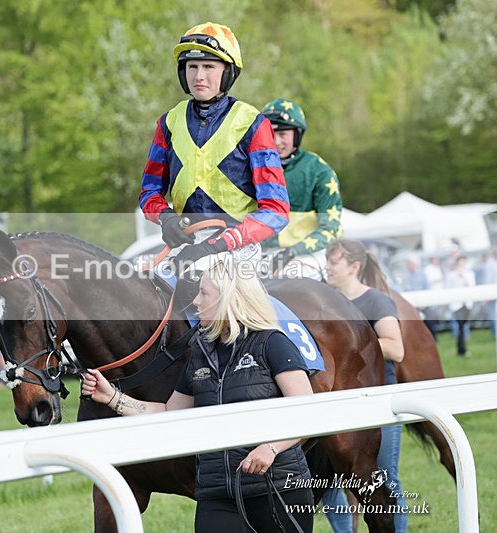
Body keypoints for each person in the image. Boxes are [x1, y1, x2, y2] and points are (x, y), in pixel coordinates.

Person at [82, 258, 314, 532]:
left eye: (204, 293)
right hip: (217, 495)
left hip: (278, 488)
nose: (196, 301)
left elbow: (308, 412)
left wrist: (271, 448)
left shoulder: (272, 343)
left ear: (228, 298)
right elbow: (170, 413)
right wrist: (112, 397)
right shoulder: (200, 353)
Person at [138, 22, 289, 284]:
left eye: (209, 67)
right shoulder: (168, 122)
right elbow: (149, 192)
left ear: (227, 72)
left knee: (199, 286)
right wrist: (166, 218)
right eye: (192, 67)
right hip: (186, 244)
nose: (199, 76)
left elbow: (276, 210)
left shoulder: (252, 123)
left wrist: (219, 244)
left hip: (238, 245)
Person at [323, 239, 407, 532]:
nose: (327, 267)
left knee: (385, 478)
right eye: (327, 261)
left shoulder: (376, 301)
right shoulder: (326, 302)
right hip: (340, 402)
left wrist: (347, 346)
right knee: (328, 482)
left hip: (380, 402)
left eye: (333, 262)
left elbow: (396, 349)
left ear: (354, 266)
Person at [260, 98, 343, 280]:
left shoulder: (319, 171)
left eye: (283, 134)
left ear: (297, 135)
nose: (276, 141)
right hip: (263, 254)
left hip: (307, 254)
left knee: (289, 279)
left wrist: (292, 252)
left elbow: (331, 230)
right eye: (270, 134)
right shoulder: (252, 168)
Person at [444, 256, 476, 357]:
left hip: (467, 303)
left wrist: (463, 277)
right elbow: (448, 288)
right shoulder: (452, 275)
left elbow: (472, 286)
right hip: (457, 305)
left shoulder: (469, 274)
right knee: (461, 326)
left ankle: (461, 349)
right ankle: (462, 349)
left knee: (463, 326)